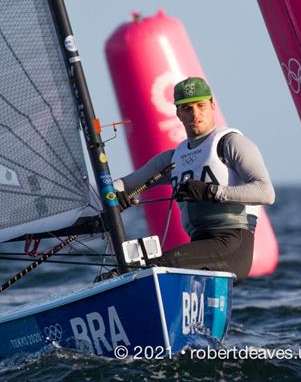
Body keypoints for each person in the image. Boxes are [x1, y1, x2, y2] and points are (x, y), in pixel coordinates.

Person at [112, 77, 274, 284]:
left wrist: (211, 191)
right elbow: (125, 184)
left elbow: (266, 193)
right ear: (178, 113)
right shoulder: (172, 158)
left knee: (153, 268)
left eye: (201, 106)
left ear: (213, 106)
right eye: (187, 108)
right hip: (199, 245)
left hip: (232, 244)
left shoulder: (231, 144)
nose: (195, 114)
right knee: (133, 270)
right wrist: (115, 196)